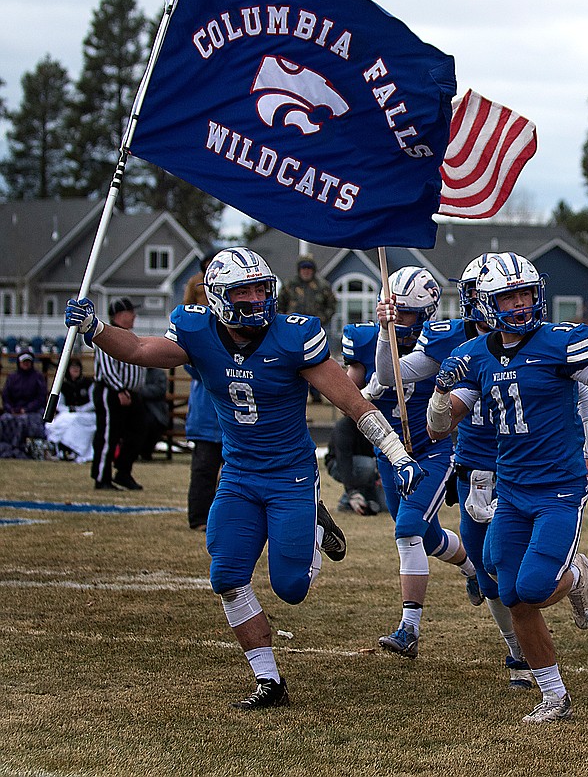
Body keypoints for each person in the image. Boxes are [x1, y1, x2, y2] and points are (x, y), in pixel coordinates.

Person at [65, 246, 424, 710]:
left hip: (291, 476)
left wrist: (396, 452)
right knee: (227, 575)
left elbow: (353, 403)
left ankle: (316, 523)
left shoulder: (294, 337)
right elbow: (137, 348)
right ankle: (269, 680)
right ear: (217, 297)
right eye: (244, 291)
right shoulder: (196, 331)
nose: (256, 299)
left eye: (261, 288)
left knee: (291, 588)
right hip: (238, 474)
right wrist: (96, 329)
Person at [426, 252, 588, 723]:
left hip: (557, 488)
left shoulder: (559, 342)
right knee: (506, 591)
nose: (520, 304)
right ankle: (554, 695)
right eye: (508, 296)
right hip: (510, 490)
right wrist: (437, 392)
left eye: (526, 294)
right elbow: (437, 428)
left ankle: (577, 576)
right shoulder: (474, 355)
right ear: (486, 305)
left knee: (532, 588)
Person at [343, 266, 482, 659]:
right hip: (389, 454)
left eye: (406, 313)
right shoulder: (365, 337)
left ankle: (409, 629)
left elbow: (390, 372)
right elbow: (352, 382)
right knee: (430, 536)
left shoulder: (441, 341)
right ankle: (471, 566)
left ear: (426, 315)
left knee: (407, 531)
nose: (397, 319)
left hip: (430, 453)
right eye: (392, 310)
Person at [89, 298, 147, 490]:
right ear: (120, 315)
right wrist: (119, 389)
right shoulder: (108, 336)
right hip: (112, 391)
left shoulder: (129, 336)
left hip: (131, 392)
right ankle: (101, 476)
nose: (134, 316)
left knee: (138, 432)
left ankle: (123, 472)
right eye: (131, 312)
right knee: (108, 434)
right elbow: (106, 367)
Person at [278, 256, 337, 403]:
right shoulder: (289, 285)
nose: (306, 271)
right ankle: (290, 394)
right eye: (303, 268)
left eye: (309, 268)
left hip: (314, 333)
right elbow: (279, 305)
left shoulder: (322, 286)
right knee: (290, 362)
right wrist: (284, 321)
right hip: (292, 332)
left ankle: (316, 394)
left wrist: (322, 319)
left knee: (316, 362)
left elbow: (332, 305)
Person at [184, 366, 222, 531]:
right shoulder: (203, 346)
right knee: (203, 471)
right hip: (206, 421)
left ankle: (228, 518)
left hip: (235, 424)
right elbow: (192, 367)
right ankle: (200, 518)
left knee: (238, 475)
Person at [324, 415, 381, 515]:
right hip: (338, 465)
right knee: (368, 466)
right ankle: (347, 500)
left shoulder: (374, 426)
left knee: (383, 506)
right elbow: (344, 462)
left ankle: (365, 495)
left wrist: (382, 475)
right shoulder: (344, 427)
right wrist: (351, 492)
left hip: (369, 469)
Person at [45, 357, 96, 462]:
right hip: (68, 414)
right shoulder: (63, 386)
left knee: (74, 421)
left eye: (77, 367)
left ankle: (76, 451)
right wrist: (69, 409)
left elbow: (93, 403)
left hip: (87, 415)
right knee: (55, 424)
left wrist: (79, 409)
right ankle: (61, 450)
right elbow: (59, 404)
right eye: (72, 367)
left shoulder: (88, 383)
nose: (75, 369)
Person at [3, 349, 48, 416]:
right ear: (19, 362)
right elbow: (6, 396)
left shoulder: (38, 377)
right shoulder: (12, 377)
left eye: (28, 361)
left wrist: (26, 409)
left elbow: (41, 398)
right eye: (24, 361)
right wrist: (11, 409)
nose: (26, 363)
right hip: (14, 410)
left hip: (33, 410)